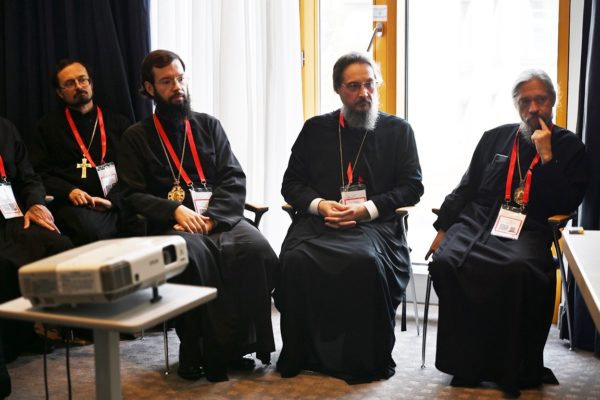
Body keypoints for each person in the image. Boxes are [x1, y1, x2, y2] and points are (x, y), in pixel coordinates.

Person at [117, 50, 278, 382]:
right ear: (149, 88)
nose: (177, 87)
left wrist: (213, 218)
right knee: (194, 258)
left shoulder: (208, 125)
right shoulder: (136, 137)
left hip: (219, 219)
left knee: (256, 250)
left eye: (180, 78)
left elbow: (233, 176)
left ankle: (239, 347)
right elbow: (131, 194)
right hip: (172, 226)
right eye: (166, 81)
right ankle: (196, 350)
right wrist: (174, 209)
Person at [426, 69, 589, 396]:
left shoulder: (570, 147)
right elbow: (467, 186)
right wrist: (443, 227)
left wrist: (547, 157)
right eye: (525, 101)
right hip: (478, 222)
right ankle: (465, 364)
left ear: (553, 102)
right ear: (516, 105)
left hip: (531, 226)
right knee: (447, 261)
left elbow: (566, 203)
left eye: (540, 100)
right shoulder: (494, 137)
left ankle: (511, 367)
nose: (533, 108)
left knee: (517, 269)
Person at [275, 52, 424, 383]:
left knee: (364, 262)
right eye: (354, 86)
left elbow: (412, 187)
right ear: (338, 90)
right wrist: (320, 205)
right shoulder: (315, 129)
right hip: (319, 224)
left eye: (370, 84)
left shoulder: (398, 131)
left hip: (375, 226)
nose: (364, 93)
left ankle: (360, 359)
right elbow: (291, 184)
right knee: (296, 260)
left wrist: (366, 209)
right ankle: (303, 353)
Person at [29, 59, 131, 246]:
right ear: (60, 93)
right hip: (75, 205)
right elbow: (39, 173)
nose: (78, 86)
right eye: (69, 83)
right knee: (91, 230)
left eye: (82, 80)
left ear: (91, 83)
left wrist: (113, 202)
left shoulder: (119, 123)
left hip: (116, 199)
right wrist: (69, 191)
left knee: (140, 220)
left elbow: (131, 170)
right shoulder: (47, 128)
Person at [0, 116, 73, 371]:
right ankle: (13, 338)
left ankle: (52, 325)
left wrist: (36, 203)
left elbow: (28, 177)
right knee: (5, 262)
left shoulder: (5, 128)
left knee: (58, 245)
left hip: (13, 216)